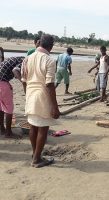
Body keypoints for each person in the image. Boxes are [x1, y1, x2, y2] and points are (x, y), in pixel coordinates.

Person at [21, 34, 60, 168]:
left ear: (38, 43)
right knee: (43, 128)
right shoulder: (49, 60)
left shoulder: (27, 58)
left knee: (33, 126)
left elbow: (24, 80)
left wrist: (28, 96)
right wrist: (55, 106)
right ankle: (37, 159)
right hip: (42, 96)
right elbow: (49, 84)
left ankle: (35, 154)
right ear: (51, 46)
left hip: (30, 95)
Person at [0, 56, 24, 138]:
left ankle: (2, 129)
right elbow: (15, 70)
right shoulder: (24, 61)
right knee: (8, 108)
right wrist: (24, 83)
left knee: (1, 107)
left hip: (1, 82)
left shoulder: (17, 58)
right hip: (3, 84)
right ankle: (8, 133)